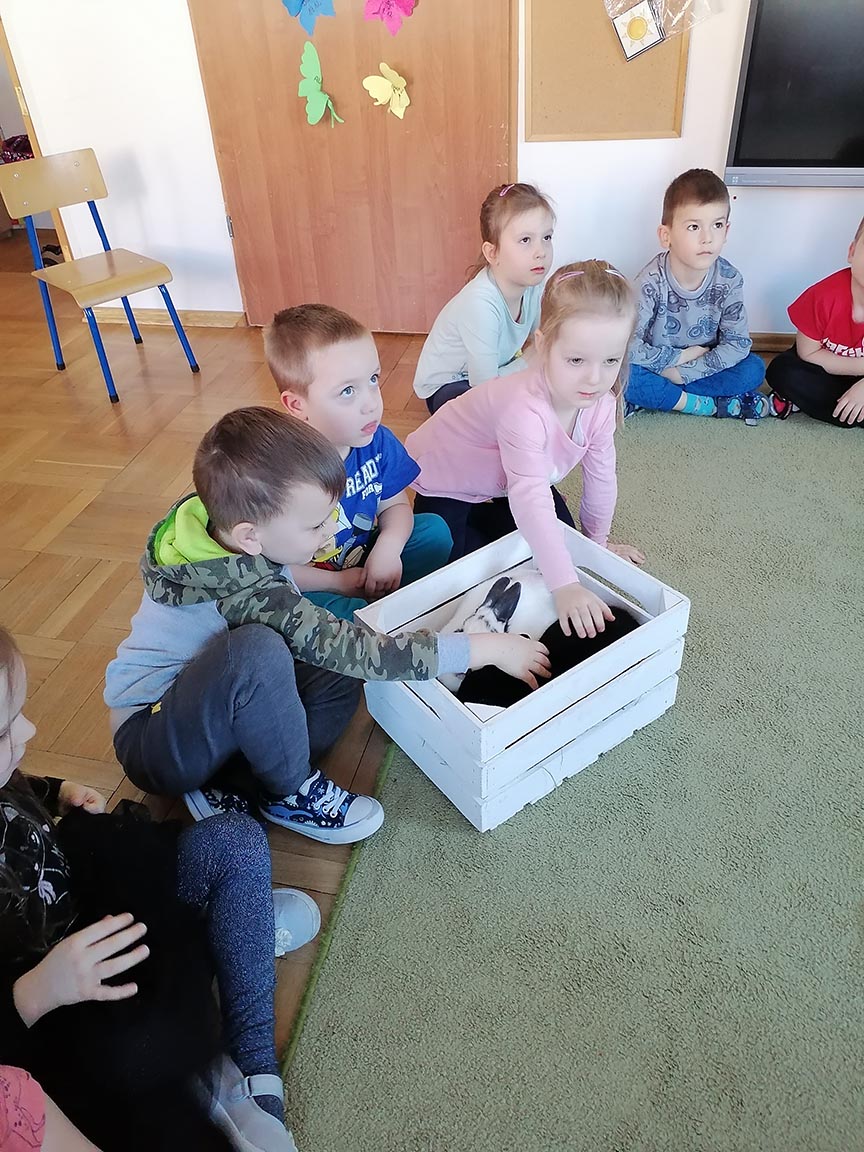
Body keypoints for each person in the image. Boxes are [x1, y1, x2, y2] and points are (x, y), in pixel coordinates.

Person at [105, 408, 550, 834]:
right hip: (154, 740)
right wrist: (481, 648)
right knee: (270, 649)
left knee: (335, 669)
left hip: (209, 704)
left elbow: (322, 633)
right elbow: (361, 651)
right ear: (250, 536)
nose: (331, 530)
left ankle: (241, 782)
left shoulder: (222, 524)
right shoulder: (246, 593)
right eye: (316, 525)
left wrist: (336, 584)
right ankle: (289, 791)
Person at [0, 624, 318, 1152]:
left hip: (102, 906)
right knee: (144, 1047)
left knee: (237, 841)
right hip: (66, 1003)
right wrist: (36, 991)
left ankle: (252, 1064)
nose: (30, 729)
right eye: (5, 730)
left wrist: (58, 792)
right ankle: (234, 944)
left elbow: (21, 782)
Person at [407, 261, 645, 642]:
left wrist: (597, 545)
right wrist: (564, 585)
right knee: (453, 577)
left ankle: (498, 528)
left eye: (611, 361)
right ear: (542, 344)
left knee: (560, 544)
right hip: (449, 477)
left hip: (505, 481)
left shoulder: (600, 405)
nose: (595, 378)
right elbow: (531, 497)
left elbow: (602, 477)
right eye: (576, 360)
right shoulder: (524, 408)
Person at [265, 303, 452, 621]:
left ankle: (393, 608)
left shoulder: (376, 440)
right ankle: (384, 620)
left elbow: (395, 506)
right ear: (297, 405)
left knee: (434, 532)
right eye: (348, 391)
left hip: (361, 559)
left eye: (373, 379)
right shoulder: (277, 473)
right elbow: (272, 569)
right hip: (311, 585)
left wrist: (388, 549)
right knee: (345, 616)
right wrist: (338, 583)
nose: (371, 404)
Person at [625, 168, 783, 423]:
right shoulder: (649, 282)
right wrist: (680, 358)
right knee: (624, 374)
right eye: (694, 227)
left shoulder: (729, 280)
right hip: (659, 364)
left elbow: (737, 344)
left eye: (717, 225)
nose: (707, 238)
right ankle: (707, 406)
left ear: (726, 231)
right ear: (666, 236)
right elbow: (628, 346)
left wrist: (684, 373)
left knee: (753, 369)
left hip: (700, 364)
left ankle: (660, 397)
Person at [412, 182, 555, 413]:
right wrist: (529, 360)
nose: (541, 252)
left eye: (547, 237)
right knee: (495, 410)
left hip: (494, 372)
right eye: (525, 240)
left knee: (546, 384)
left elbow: (544, 339)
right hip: (452, 386)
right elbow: (484, 386)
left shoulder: (532, 285)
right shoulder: (480, 303)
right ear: (492, 253)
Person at [765, 215, 864, 427]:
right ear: (852, 252)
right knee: (782, 370)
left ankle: (843, 409)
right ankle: (847, 409)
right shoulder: (822, 297)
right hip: (823, 366)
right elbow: (808, 354)